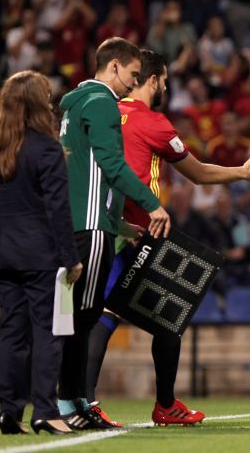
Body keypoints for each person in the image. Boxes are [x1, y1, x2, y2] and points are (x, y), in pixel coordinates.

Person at [85, 49, 250, 426]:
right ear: (154, 80)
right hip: (133, 232)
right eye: (165, 80)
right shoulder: (153, 123)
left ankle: (153, 404)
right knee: (119, 315)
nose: (166, 87)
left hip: (103, 225)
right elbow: (200, 174)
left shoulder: (99, 113)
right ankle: (92, 403)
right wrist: (243, 172)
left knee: (153, 315)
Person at [58, 37, 171, 430]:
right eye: (132, 75)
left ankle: (70, 402)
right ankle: (72, 405)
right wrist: (151, 202)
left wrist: (120, 222)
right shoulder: (102, 101)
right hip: (91, 227)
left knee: (78, 317)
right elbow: (110, 164)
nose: (131, 85)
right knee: (83, 319)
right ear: (114, 67)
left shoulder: (72, 105)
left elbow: (82, 172)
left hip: (82, 221)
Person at [0, 71, 82, 435]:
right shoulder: (47, 147)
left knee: (10, 333)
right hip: (41, 256)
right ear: (40, 103)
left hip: (1, 254)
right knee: (47, 333)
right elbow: (59, 210)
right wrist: (71, 258)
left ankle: (9, 412)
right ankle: (45, 410)